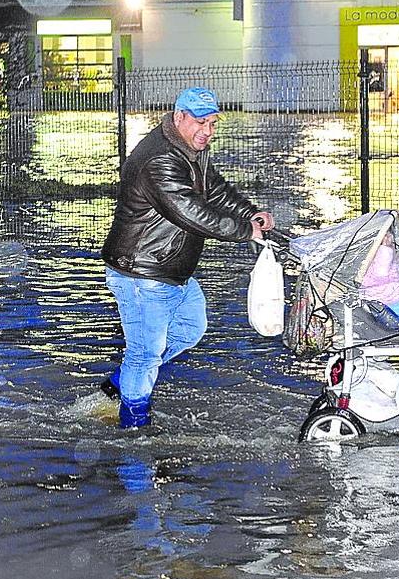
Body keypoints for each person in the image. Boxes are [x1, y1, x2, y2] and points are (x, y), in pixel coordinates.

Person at [100, 87, 274, 429]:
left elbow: (215, 190)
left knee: (192, 328)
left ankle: (122, 383)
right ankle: (134, 427)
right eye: (200, 122)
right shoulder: (158, 159)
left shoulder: (191, 150)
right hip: (142, 272)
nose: (207, 131)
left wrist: (250, 213)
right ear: (179, 117)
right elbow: (189, 212)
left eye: (212, 123)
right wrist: (244, 230)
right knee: (146, 353)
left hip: (171, 269)